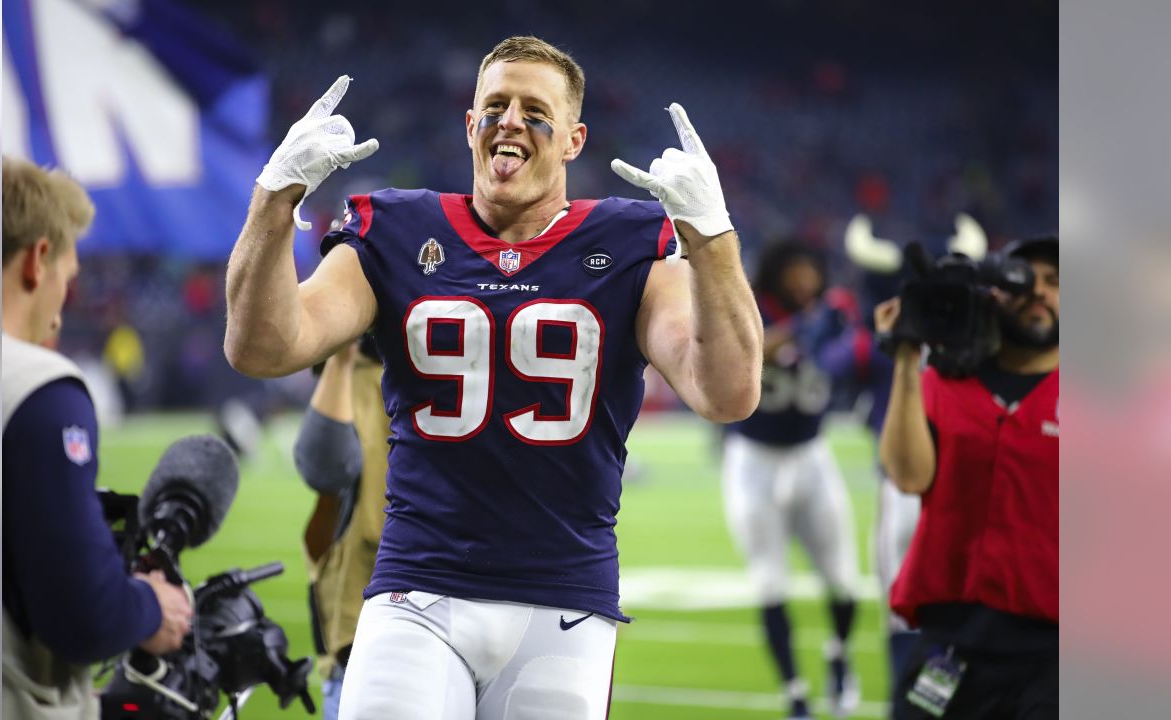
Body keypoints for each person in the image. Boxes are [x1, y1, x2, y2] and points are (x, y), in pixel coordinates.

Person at [224, 36, 764, 720]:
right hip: (417, 589)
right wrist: (274, 200)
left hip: (563, 603)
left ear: (573, 140)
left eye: (535, 110)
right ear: (470, 125)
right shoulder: (394, 228)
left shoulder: (631, 241)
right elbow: (262, 346)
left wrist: (711, 238)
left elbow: (729, 391)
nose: (510, 120)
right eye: (495, 106)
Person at [1, 157, 192, 719]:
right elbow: (83, 616)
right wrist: (151, 608)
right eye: (69, 275)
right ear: (38, 261)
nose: (62, 310)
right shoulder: (36, 389)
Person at [876, 236, 1059, 719]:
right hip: (951, 642)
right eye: (1023, 281)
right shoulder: (944, 383)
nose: (1039, 293)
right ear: (993, 295)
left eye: (1056, 283)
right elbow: (907, 476)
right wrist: (907, 357)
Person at [720, 241, 860, 720]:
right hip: (754, 459)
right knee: (769, 582)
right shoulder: (755, 307)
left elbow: (855, 358)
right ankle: (796, 693)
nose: (804, 281)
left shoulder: (833, 315)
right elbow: (747, 348)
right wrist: (801, 328)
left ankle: (839, 657)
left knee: (844, 578)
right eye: (795, 271)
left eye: (811, 271)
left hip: (812, 455)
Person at [293, 337, 390, 720]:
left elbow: (320, 471)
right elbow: (323, 469)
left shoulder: (364, 373)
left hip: (364, 625)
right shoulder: (360, 373)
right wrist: (341, 359)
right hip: (363, 635)